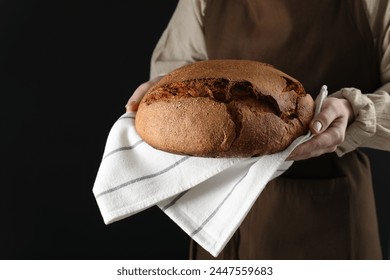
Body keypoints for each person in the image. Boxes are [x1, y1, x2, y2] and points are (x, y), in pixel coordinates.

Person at [126, 0, 390, 259]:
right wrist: (162, 88)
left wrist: (356, 110)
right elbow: (174, 70)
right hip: (219, 220)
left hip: (327, 223)